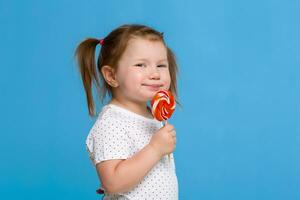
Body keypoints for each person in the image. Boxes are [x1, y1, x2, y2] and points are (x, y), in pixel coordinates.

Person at [75, 24, 179, 200]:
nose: (155, 74)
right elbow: (112, 182)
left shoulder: (153, 115)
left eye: (161, 65)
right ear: (112, 76)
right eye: (141, 65)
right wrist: (155, 149)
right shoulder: (112, 122)